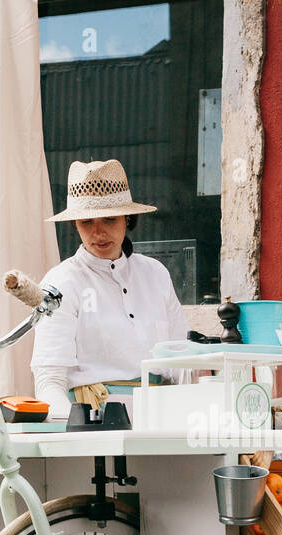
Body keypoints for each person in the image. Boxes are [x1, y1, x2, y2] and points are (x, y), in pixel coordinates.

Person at [31, 159, 187, 421]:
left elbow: (182, 361)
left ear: (128, 218)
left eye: (109, 219)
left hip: (164, 418)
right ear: (74, 225)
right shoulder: (61, 283)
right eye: (86, 222)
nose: (98, 232)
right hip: (96, 420)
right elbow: (49, 382)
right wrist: (73, 429)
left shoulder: (156, 274)